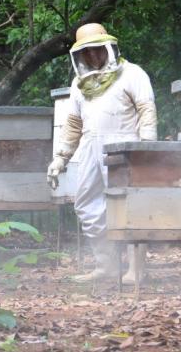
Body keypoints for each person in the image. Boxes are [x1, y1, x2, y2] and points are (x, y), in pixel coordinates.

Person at [47, 23, 158, 283]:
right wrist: (60, 158)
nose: (93, 55)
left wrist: (147, 147)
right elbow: (73, 124)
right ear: (79, 56)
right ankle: (107, 265)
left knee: (130, 205)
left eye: (97, 49)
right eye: (87, 52)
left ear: (108, 47)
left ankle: (136, 270)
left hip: (125, 146)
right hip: (90, 147)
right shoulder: (79, 85)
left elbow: (146, 110)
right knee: (86, 206)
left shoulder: (132, 74)